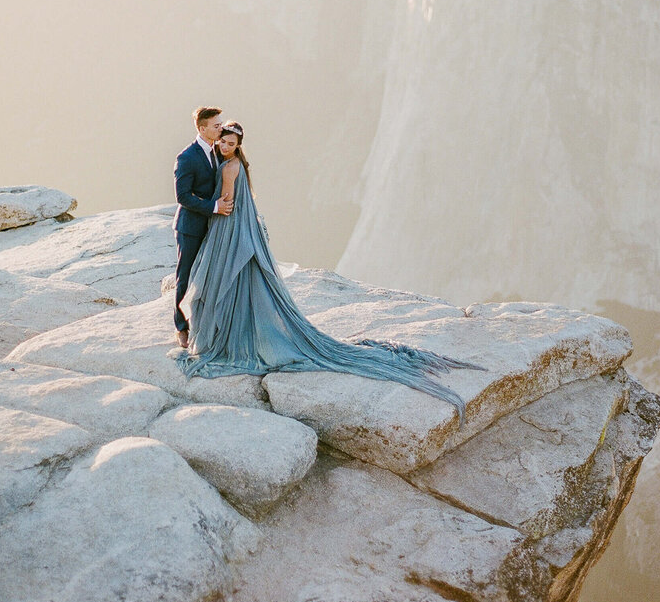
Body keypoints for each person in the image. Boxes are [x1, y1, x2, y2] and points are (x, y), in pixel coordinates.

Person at [176, 121, 481, 420]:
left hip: (227, 229)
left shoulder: (229, 167)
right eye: (222, 140)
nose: (224, 145)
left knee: (220, 282)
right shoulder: (233, 163)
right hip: (236, 229)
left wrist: (216, 223)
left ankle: (221, 331)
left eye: (230, 143)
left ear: (238, 146)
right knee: (237, 283)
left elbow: (225, 203)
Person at [172, 106, 234, 348]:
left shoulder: (218, 151)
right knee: (185, 277)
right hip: (191, 227)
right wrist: (213, 207)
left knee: (208, 275)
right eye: (216, 125)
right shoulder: (186, 157)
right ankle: (181, 327)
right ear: (202, 128)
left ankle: (204, 323)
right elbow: (183, 197)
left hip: (213, 226)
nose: (221, 128)